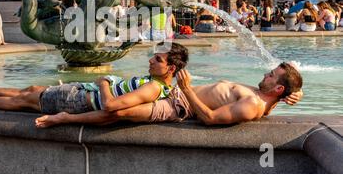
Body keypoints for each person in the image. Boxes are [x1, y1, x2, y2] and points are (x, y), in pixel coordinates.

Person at [34, 63, 303, 128]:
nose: (266, 75)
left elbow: (210, 118)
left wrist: (186, 90)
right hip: (174, 94)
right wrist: (294, 95)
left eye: (271, 75)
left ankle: (64, 119)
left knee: (118, 111)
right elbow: (277, 98)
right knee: (122, 97)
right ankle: (87, 89)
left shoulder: (252, 105)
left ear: (278, 88)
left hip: (176, 106)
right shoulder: (263, 96)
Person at [0, 43, 189, 116]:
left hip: (78, 100)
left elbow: (110, 106)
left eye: (157, 59)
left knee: (24, 101)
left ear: (170, 68)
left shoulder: (152, 88)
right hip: (80, 93)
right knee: (32, 89)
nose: (150, 60)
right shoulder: (156, 83)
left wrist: (104, 82)